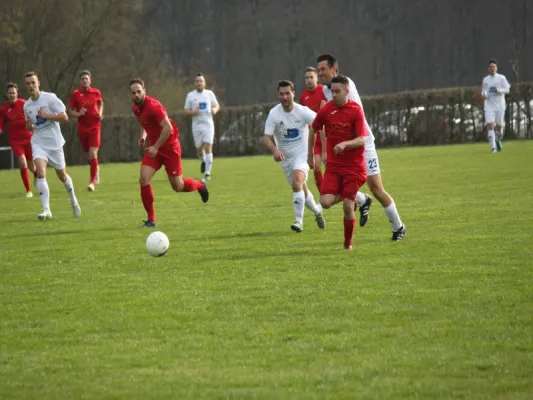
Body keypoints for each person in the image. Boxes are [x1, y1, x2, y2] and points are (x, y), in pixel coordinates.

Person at [317, 54, 406, 240]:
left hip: (362, 143)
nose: (320, 73)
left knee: (376, 188)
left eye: (323, 69)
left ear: (334, 69)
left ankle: (398, 227)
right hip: (343, 148)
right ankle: (361, 199)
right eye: (318, 70)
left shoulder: (345, 83)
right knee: (335, 189)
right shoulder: (327, 91)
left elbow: (348, 114)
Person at [130, 78, 209, 228]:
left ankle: (200, 185)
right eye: (133, 93)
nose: (136, 95)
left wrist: (156, 147)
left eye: (139, 92)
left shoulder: (154, 106)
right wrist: (143, 137)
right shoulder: (136, 108)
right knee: (143, 179)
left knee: (178, 187)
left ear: (144, 91)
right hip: (155, 148)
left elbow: (168, 128)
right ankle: (151, 220)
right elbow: (144, 122)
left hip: (169, 147)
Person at [308, 75, 367, 250]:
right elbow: (313, 129)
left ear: (347, 91)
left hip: (353, 167)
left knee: (348, 206)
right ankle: (361, 197)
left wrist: (345, 144)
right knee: (325, 202)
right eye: (332, 91)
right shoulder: (327, 110)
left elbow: (362, 139)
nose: (333, 95)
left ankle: (348, 243)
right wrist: (309, 155)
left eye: (337, 91)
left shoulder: (356, 110)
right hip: (334, 166)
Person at [264, 80, 325, 233]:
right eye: (281, 94)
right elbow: (266, 137)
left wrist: (323, 149)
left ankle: (298, 221)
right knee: (300, 188)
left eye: (287, 93)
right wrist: (274, 150)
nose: (284, 97)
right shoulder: (274, 113)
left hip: (302, 156)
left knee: (297, 181)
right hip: (286, 160)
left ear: (293, 94)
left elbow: (320, 122)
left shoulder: (302, 111)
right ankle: (317, 211)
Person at [23, 71, 81, 220]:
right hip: (38, 142)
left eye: (33, 82)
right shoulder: (26, 105)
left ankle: (73, 198)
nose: (30, 85)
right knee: (40, 173)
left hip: (54, 143)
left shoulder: (50, 98)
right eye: (28, 83)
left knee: (62, 176)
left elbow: (64, 117)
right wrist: (29, 126)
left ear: (38, 83)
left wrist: (46, 116)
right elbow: (31, 127)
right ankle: (46, 210)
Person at [69, 70, 104, 191]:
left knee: (93, 153)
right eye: (83, 79)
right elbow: (70, 110)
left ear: (90, 80)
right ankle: (96, 170)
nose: (85, 80)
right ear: (80, 81)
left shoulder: (96, 92)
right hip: (82, 128)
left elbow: (100, 103)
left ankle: (92, 182)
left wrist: (100, 113)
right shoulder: (76, 94)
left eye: (87, 78)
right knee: (88, 156)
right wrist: (78, 113)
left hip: (95, 126)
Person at [0, 82, 36, 197]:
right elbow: (1, 125)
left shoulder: (25, 104)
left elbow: (33, 118)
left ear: (17, 93)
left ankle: (36, 175)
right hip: (15, 140)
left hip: (29, 138)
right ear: (7, 94)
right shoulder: (4, 109)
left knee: (32, 166)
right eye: (10, 93)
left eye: (13, 93)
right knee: (22, 162)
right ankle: (29, 191)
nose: (12, 95)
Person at [184, 73, 220, 181]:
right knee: (199, 150)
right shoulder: (190, 95)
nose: (199, 83)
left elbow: (217, 105)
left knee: (208, 147)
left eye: (201, 81)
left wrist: (214, 110)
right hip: (197, 126)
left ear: (204, 83)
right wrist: (192, 112)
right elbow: (186, 111)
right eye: (197, 81)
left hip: (208, 125)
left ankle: (207, 174)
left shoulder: (209, 94)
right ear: (195, 83)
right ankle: (203, 160)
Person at [299, 66, 327, 192]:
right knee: (316, 165)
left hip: (326, 136)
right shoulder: (303, 97)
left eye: (311, 77)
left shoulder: (324, 91)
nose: (309, 80)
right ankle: (323, 193)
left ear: (316, 78)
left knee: (331, 167)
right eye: (306, 78)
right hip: (314, 137)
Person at [481, 59, 510, 153]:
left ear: (496, 68)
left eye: (494, 67)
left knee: (499, 127)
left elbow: (507, 89)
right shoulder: (485, 79)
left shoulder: (502, 78)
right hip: (489, 104)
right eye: (490, 67)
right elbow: (484, 90)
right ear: (488, 68)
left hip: (500, 105)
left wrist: (499, 90)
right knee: (490, 125)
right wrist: (484, 94)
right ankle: (493, 147)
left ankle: (497, 140)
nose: (492, 68)